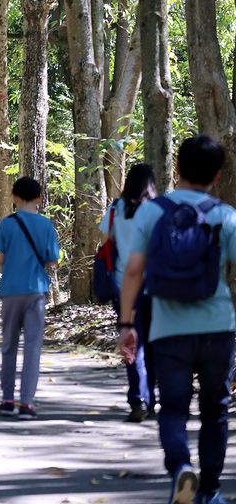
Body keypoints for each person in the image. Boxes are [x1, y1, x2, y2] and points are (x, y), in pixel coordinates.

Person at [119, 136, 236, 504]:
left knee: (173, 407)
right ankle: (210, 491)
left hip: (169, 328)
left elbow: (134, 271)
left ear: (178, 169)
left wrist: (126, 324)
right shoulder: (224, 215)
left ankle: (181, 466)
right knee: (215, 408)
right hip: (218, 326)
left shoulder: (152, 212)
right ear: (217, 176)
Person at [0, 176, 60, 420]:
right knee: (32, 347)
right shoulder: (46, 225)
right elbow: (52, 259)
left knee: (9, 345)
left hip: (10, 291)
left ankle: (7, 399)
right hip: (36, 291)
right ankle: (26, 403)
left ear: (14, 197)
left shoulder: (7, 224)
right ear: (40, 198)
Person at [101, 163, 158, 423]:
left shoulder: (115, 209)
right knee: (153, 343)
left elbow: (104, 243)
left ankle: (138, 399)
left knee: (131, 341)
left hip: (123, 286)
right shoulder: (157, 209)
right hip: (155, 286)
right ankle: (152, 399)